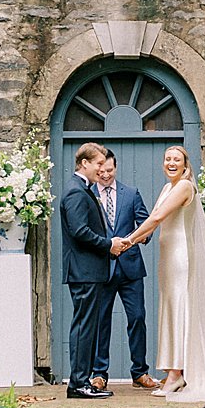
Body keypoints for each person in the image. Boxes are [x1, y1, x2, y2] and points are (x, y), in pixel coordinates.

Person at [120, 145, 205, 402]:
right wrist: (137, 238)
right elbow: (153, 221)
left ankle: (177, 373)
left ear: (185, 164)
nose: (171, 163)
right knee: (170, 310)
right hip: (167, 257)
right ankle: (173, 368)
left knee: (181, 309)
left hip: (181, 256)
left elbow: (158, 216)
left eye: (176, 159)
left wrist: (128, 240)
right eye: (167, 159)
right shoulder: (167, 187)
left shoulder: (184, 186)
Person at [88, 151, 159, 390]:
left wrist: (134, 240)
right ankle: (99, 373)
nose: (106, 175)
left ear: (115, 168)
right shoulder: (88, 195)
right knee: (101, 320)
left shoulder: (131, 193)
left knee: (138, 317)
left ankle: (140, 372)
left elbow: (146, 223)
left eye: (110, 171)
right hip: (101, 267)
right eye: (102, 172)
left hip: (130, 268)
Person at [58, 143, 118, 398]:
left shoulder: (83, 189)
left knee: (87, 327)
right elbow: (79, 231)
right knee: (83, 328)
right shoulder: (75, 191)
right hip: (84, 271)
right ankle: (79, 384)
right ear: (84, 164)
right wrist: (109, 244)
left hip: (89, 271)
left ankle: (81, 381)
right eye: (98, 164)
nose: (102, 169)